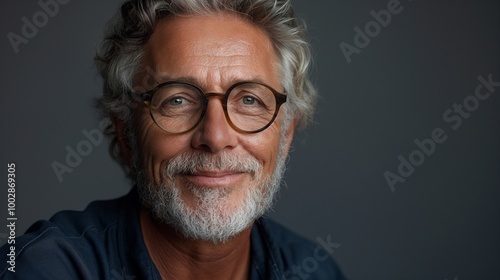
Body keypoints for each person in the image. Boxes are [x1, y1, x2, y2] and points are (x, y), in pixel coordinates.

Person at [0, 0, 346, 279]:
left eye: (249, 100)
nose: (215, 136)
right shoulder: (42, 268)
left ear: (285, 135)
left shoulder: (314, 271)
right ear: (127, 134)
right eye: (177, 100)